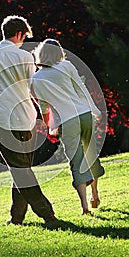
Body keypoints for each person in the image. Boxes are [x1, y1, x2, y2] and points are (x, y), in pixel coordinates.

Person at [0, 15, 57, 225]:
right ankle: (18, 218)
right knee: (22, 170)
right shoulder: (25, 57)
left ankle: (46, 215)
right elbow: (34, 88)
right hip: (26, 117)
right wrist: (44, 113)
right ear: (20, 34)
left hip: (1, 119)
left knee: (20, 171)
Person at [32, 39, 105, 215]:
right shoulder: (66, 66)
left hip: (67, 121)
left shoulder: (36, 79)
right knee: (90, 154)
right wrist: (94, 110)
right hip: (84, 115)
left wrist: (51, 126)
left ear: (40, 54)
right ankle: (95, 195)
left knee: (76, 161)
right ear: (59, 53)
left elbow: (44, 107)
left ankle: (85, 207)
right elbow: (81, 89)